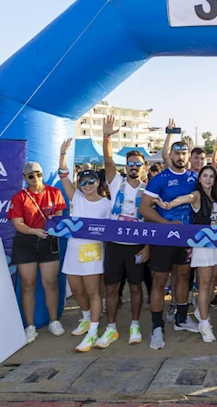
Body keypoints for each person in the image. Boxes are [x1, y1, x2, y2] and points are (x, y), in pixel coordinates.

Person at [140, 138, 199, 350]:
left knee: (183, 277)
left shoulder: (195, 177)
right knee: (159, 281)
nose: (180, 157)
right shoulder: (160, 179)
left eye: (184, 153)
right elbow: (144, 209)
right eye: (176, 153)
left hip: (186, 239)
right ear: (170, 155)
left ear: (188, 156)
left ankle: (182, 318)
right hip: (163, 238)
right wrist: (166, 224)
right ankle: (157, 327)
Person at [159, 164, 217, 343]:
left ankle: (201, 310)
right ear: (199, 179)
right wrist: (169, 204)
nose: (208, 179)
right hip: (203, 245)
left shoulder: (216, 197)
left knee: (213, 280)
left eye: (211, 176)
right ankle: (204, 324)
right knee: (204, 284)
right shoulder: (197, 195)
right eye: (204, 176)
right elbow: (185, 198)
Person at [98, 116, 150, 348]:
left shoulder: (149, 191)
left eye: (138, 164)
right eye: (130, 163)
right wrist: (107, 136)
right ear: (125, 166)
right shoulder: (115, 183)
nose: (134, 167)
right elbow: (108, 160)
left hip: (137, 246)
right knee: (111, 287)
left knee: (136, 287)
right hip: (115, 245)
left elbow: (151, 222)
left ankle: (135, 324)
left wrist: (148, 247)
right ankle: (110, 328)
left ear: (144, 167)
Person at [56, 140, 110, 352]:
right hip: (73, 250)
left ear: (97, 182)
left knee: (93, 291)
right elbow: (63, 176)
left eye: (90, 182)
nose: (86, 186)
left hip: (93, 253)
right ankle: (86, 318)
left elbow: (109, 231)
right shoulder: (76, 197)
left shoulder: (106, 204)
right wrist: (62, 154)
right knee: (77, 290)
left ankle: (93, 331)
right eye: (83, 183)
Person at [6, 161, 65, 343]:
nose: (35, 178)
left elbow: (60, 217)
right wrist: (34, 231)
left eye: (38, 174)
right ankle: (30, 326)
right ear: (25, 178)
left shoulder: (54, 193)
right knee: (28, 284)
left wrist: (52, 222)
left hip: (48, 241)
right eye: (31, 175)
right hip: (26, 242)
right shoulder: (19, 197)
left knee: (50, 283)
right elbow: (18, 224)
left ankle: (54, 321)